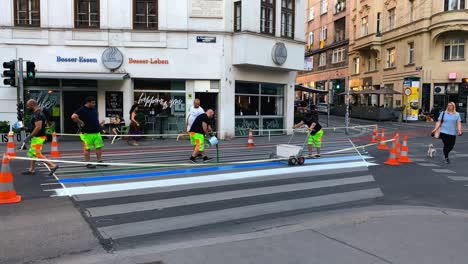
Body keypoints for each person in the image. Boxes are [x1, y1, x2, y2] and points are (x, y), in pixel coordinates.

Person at [21, 99, 59, 175]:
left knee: (37, 153)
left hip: (39, 137)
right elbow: (35, 126)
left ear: (32, 105)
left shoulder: (38, 114)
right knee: (32, 153)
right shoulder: (37, 113)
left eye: (28, 106)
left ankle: (53, 165)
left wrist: (29, 136)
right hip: (36, 137)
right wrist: (26, 128)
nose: (27, 108)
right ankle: (32, 170)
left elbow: (38, 127)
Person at [71, 97, 106, 168]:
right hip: (87, 133)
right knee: (87, 148)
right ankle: (88, 163)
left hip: (96, 132)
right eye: (93, 103)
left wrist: (100, 128)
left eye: (94, 103)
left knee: (99, 147)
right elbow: (73, 116)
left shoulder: (94, 109)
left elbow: (95, 119)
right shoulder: (82, 109)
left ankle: (100, 161)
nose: (94, 104)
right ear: (88, 102)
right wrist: (80, 122)